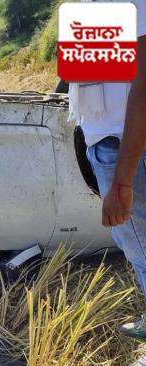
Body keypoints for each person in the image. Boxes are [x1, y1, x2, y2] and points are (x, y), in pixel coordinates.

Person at [72, 0, 146, 346]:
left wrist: (123, 179)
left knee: (143, 252)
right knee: (134, 246)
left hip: (123, 148)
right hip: (108, 142)